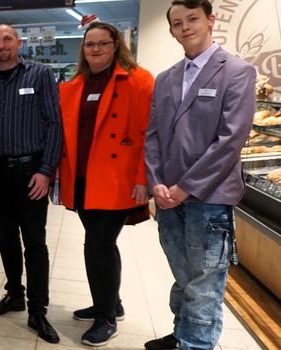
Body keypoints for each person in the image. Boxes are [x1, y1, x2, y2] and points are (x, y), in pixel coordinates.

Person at [143, 1, 256, 349]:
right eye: (177, 23)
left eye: (192, 19)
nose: (185, 27)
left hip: (209, 198)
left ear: (210, 20)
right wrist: (156, 182)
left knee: (204, 281)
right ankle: (182, 335)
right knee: (184, 276)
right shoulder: (165, 79)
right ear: (172, 30)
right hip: (167, 198)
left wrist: (185, 187)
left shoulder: (237, 71)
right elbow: (153, 136)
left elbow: (230, 140)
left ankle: (196, 343)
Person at [57, 21, 154, 347]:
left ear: (116, 46)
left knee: (98, 245)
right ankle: (112, 303)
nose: (95, 49)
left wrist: (144, 179)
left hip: (117, 180)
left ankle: (106, 317)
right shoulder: (76, 84)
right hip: (82, 178)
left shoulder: (138, 81)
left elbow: (148, 135)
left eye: (102, 43)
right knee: (100, 243)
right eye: (89, 45)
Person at [0, 24, 63, 344]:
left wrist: (46, 170)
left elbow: (54, 124)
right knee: (6, 238)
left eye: (7, 39)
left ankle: (38, 310)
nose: (2, 46)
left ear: (19, 43)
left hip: (31, 174)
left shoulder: (39, 75)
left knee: (35, 244)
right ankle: (14, 294)